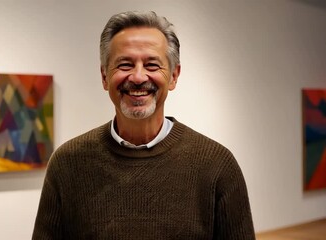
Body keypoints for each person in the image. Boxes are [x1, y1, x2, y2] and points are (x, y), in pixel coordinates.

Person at [32, 10, 255, 239]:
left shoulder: (217, 166)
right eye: (125, 65)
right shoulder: (67, 164)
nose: (138, 77)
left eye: (152, 65)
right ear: (104, 77)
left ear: (174, 76)